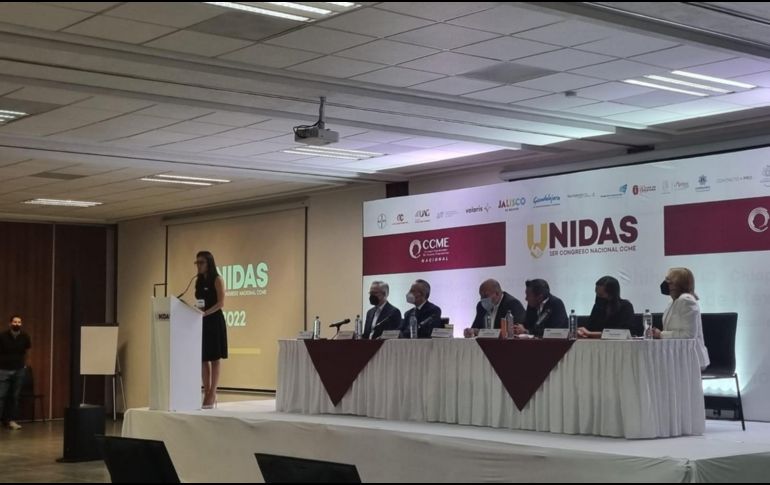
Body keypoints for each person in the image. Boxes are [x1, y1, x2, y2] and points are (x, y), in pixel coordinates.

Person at [652, 267, 710, 369]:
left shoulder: (686, 301)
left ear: (678, 285)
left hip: (690, 358)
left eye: (669, 281)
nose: (665, 284)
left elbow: (689, 335)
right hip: (677, 355)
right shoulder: (673, 302)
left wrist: (661, 334)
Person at [195, 251, 228, 409]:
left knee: (215, 357)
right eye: (197, 263)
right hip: (201, 321)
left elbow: (221, 303)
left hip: (214, 321)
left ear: (209, 263)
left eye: (201, 262)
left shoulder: (217, 279)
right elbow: (200, 301)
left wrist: (206, 313)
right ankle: (206, 390)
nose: (199, 266)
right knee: (203, 358)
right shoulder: (199, 281)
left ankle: (213, 392)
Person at [0, 315, 31, 430]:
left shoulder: (25, 336)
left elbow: (27, 352)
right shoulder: (2, 336)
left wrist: (24, 365)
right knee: (1, 396)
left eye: (19, 322)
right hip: (3, 370)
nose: (17, 324)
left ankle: (11, 421)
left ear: (21, 324)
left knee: (14, 397)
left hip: (19, 370)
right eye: (14, 322)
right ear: (10, 323)